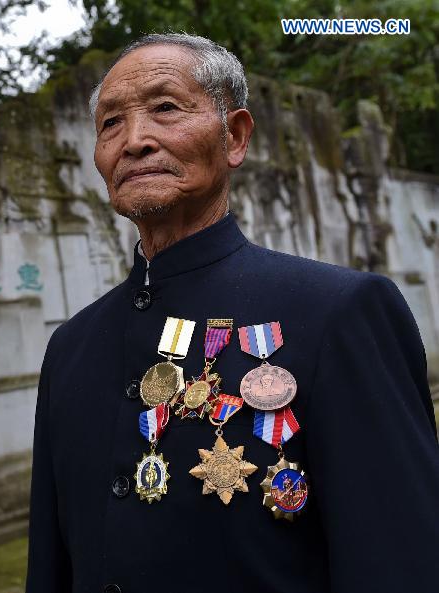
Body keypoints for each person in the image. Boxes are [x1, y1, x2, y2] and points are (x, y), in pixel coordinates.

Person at [26, 33, 439, 593]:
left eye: (166, 108)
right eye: (110, 124)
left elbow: (399, 559)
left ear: (235, 136)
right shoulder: (72, 346)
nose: (135, 141)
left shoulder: (338, 312)